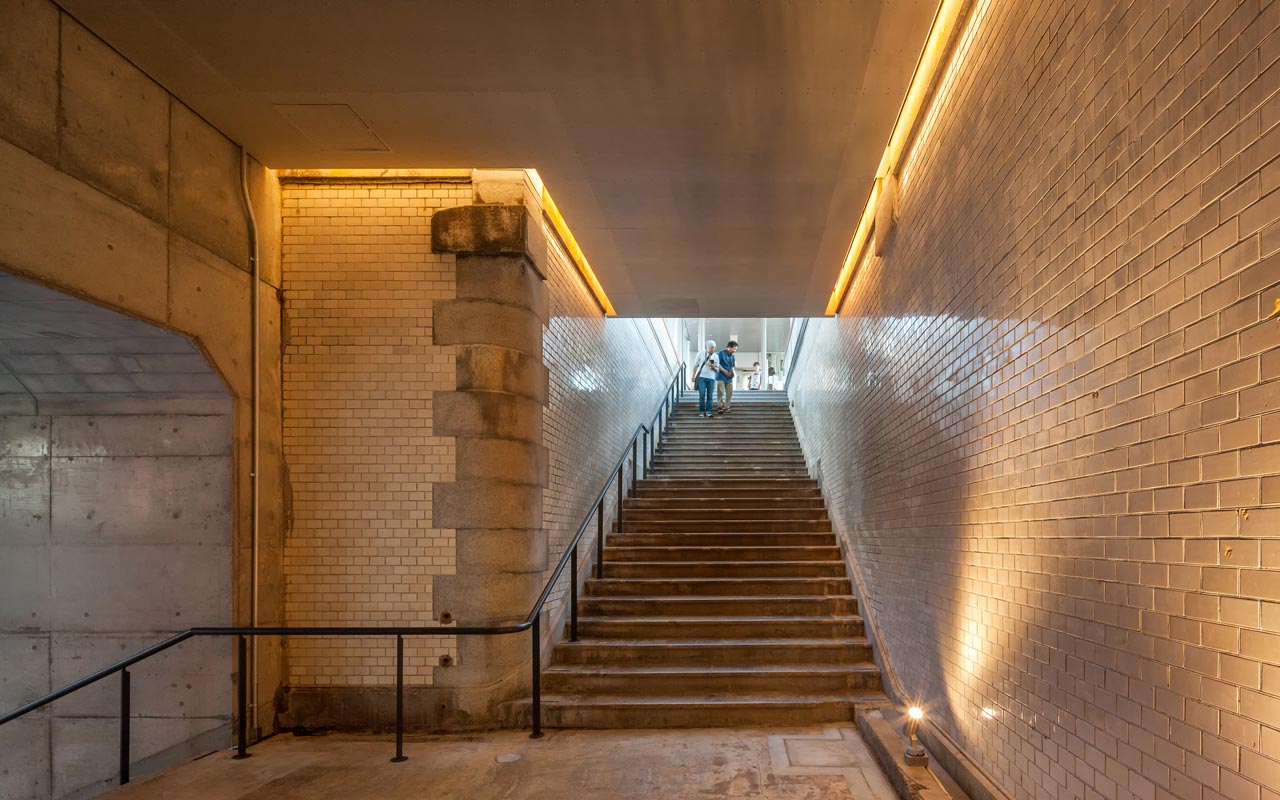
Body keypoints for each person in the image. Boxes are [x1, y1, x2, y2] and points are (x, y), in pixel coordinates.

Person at [694, 340, 719, 417]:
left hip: (711, 378)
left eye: (714, 347)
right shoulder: (700, 354)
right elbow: (695, 365)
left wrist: (713, 367)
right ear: (707, 347)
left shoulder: (716, 356)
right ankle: (701, 411)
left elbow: (717, 369)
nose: (713, 349)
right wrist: (693, 376)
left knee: (710, 396)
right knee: (702, 394)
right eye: (711, 347)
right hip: (702, 377)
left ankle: (709, 411)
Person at [714, 340, 738, 414]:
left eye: (736, 349)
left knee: (729, 392)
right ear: (729, 347)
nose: (735, 350)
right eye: (734, 348)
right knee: (720, 391)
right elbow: (717, 364)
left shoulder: (732, 356)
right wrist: (725, 372)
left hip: (729, 377)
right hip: (721, 376)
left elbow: (732, 366)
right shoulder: (721, 353)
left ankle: (727, 407)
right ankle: (720, 406)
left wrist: (732, 373)